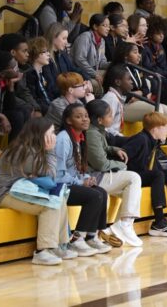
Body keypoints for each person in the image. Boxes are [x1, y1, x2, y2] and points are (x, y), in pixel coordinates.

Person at [0, 117, 71, 265]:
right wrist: (50, 152)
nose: (54, 136)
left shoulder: (32, 148)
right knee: (49, 204)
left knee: (60, 197)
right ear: (39, 134)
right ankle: (43, 251)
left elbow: (45, 174)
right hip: (3, 193)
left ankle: (60, 244)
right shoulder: (23, 150)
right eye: (51, 133)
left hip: (19, 189)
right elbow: (51, 174)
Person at [52, 104, 115, 256]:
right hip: (58, 186)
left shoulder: (80, 138)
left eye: (86, 116)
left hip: (69, 183)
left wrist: (87, 178)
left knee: (101, 192)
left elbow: (76, 170)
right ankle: (77, 239)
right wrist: (81, 182)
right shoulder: (63, 139)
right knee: (94, 196)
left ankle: (91, 236)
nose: (84, 119)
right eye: (78, 116)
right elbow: (58, 175)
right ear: (68, 120)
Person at [84, 100, 143, 247]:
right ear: (99, 119)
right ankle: (124, 225)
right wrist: (121, 165)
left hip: (99, 175)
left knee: (131, 193)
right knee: (133, 178)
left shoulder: (97, 130)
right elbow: (101, 164)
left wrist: (114, 149)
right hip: (95, 178)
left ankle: (119, 227)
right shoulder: (92, 134)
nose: (112, 117)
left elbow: (103, 147)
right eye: (109, 115)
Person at [102, 63, 167, 136]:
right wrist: (122, 138)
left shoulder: (117, 97)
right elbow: (105, 128)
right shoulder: (111, 99)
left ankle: (157, 139)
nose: (132, 82)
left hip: (115, 136)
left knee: (166, 110)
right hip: (111, 138)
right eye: (129, 79)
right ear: (118, 82)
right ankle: (151, 140)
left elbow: (146, 89)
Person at [111, 42, 167, 121]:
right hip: (122, 105)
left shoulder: (136, 68)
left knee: (166, 110)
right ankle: (152, 133)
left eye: (139, 52)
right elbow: (119, 93)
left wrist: (140, 93)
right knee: (157, 109)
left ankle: (159, 132)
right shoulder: (118, 70)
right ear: (125, 56)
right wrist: (135, 95)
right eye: (135, 52)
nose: (139, 55)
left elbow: (145, 88)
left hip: (136, 101)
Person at [71, 14, 110, 85]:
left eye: (109, 26)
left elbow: (101, 63)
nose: (108, 29)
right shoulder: (85, 37)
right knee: (100, 83)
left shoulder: (102, 41)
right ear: (95, 26)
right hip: (79, 72)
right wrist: (95, 74)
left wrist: (114, 64)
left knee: (114, 75)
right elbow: (79, 60)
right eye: (105, 26)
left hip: (91, 71)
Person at [25, 37, 56, 115]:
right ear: (35, 54)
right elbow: (34, 98)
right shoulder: (29, 74)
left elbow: (51, 91)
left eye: (48, 51)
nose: (48, 54)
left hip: (49, 103)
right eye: (45, 52)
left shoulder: (44, 71)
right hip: (41, 108)